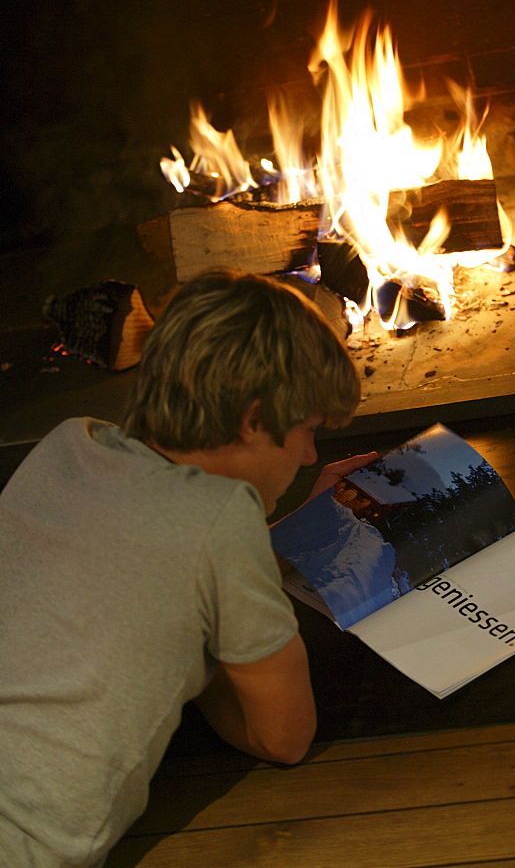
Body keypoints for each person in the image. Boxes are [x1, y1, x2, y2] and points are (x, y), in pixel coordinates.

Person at [0, 270, 374, 868]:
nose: (309, 456)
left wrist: (299, 531)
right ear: (253, 420)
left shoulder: (68, 445)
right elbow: (283, 737)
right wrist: (202, 656)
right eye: (306, 431)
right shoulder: (222, 519)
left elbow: (166, 566)